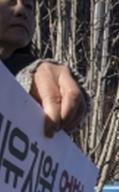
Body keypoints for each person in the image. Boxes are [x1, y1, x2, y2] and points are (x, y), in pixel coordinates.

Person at [0, 0, 88, 136]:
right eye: (11, 2)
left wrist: (33, 74)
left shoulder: (38, 69)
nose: (22, 11)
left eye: (29, 7)